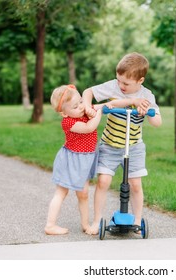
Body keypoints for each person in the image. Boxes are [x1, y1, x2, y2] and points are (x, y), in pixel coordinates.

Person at [83, 52, 162, 235]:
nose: (121, 86)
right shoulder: (112, 87)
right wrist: (88, 105)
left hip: (134, 147)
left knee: (135, 184)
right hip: (109, 145)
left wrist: (148, 111)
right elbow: (89, 92)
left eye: (126, 83)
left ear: (140, 80)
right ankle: (96, 221)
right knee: (103, 181)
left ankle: (136, 221)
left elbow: (157, 121)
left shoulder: (147, 95)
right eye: (119, 81)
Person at [45, 84, 103, 235]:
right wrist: (98, 114)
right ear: (64, 113)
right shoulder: (68, 122)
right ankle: (50, 225)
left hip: (85, 159)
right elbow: (89, 128)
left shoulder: (82, 111)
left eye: (81, 102)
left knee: (83, 193)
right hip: (71, 160)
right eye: (76, 106)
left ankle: (85, 225)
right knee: (61, 192)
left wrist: (101, 106)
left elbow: (102, 105)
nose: (81, 107)